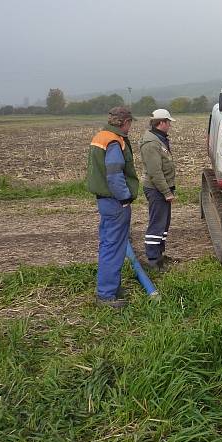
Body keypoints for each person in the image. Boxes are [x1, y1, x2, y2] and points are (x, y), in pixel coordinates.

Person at [86, 106, 139, 308]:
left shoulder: (101, 136)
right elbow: (115, 175)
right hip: (115, 201)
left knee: (108, 243)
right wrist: (125, 197)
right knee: (114, 247)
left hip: (104, 200)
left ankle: (111, 287)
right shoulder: (115, 141)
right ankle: (107, 295)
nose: (130, 126)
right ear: (125, 122)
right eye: (130, 122)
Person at [140, 108, 177, 271]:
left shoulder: (159, 139)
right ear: (161, 122)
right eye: (168, 122)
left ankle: (160, 254)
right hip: (157, 190)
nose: (169, 125)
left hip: (162, 188)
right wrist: (166, 192)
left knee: (163, 224)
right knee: (157, 224)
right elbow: (155, 172)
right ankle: (153, 260)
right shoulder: (151, 143)